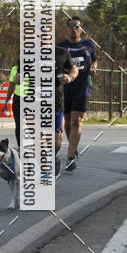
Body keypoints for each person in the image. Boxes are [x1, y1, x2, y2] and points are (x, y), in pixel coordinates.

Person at [57, 17, 97, 171]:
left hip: (82, 89)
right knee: (66, 122)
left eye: (77, 26)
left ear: (81, 29)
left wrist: (93, 68)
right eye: (71, 26)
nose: (73, 29)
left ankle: (71, 156)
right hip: (64, 89)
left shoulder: (88, 45)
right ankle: (72, 148)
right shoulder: (60, 47)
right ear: (67, 29)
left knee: (76, 121)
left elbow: (94, 60)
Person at [54, 44, 78, 176]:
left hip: (56, 102)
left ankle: (54, 157)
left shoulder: (62, 53)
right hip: (36, 102)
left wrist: (70, 77)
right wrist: (18, 77)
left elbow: (74, 69)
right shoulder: (30, 54)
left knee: (56, 137)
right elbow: (20, 72)